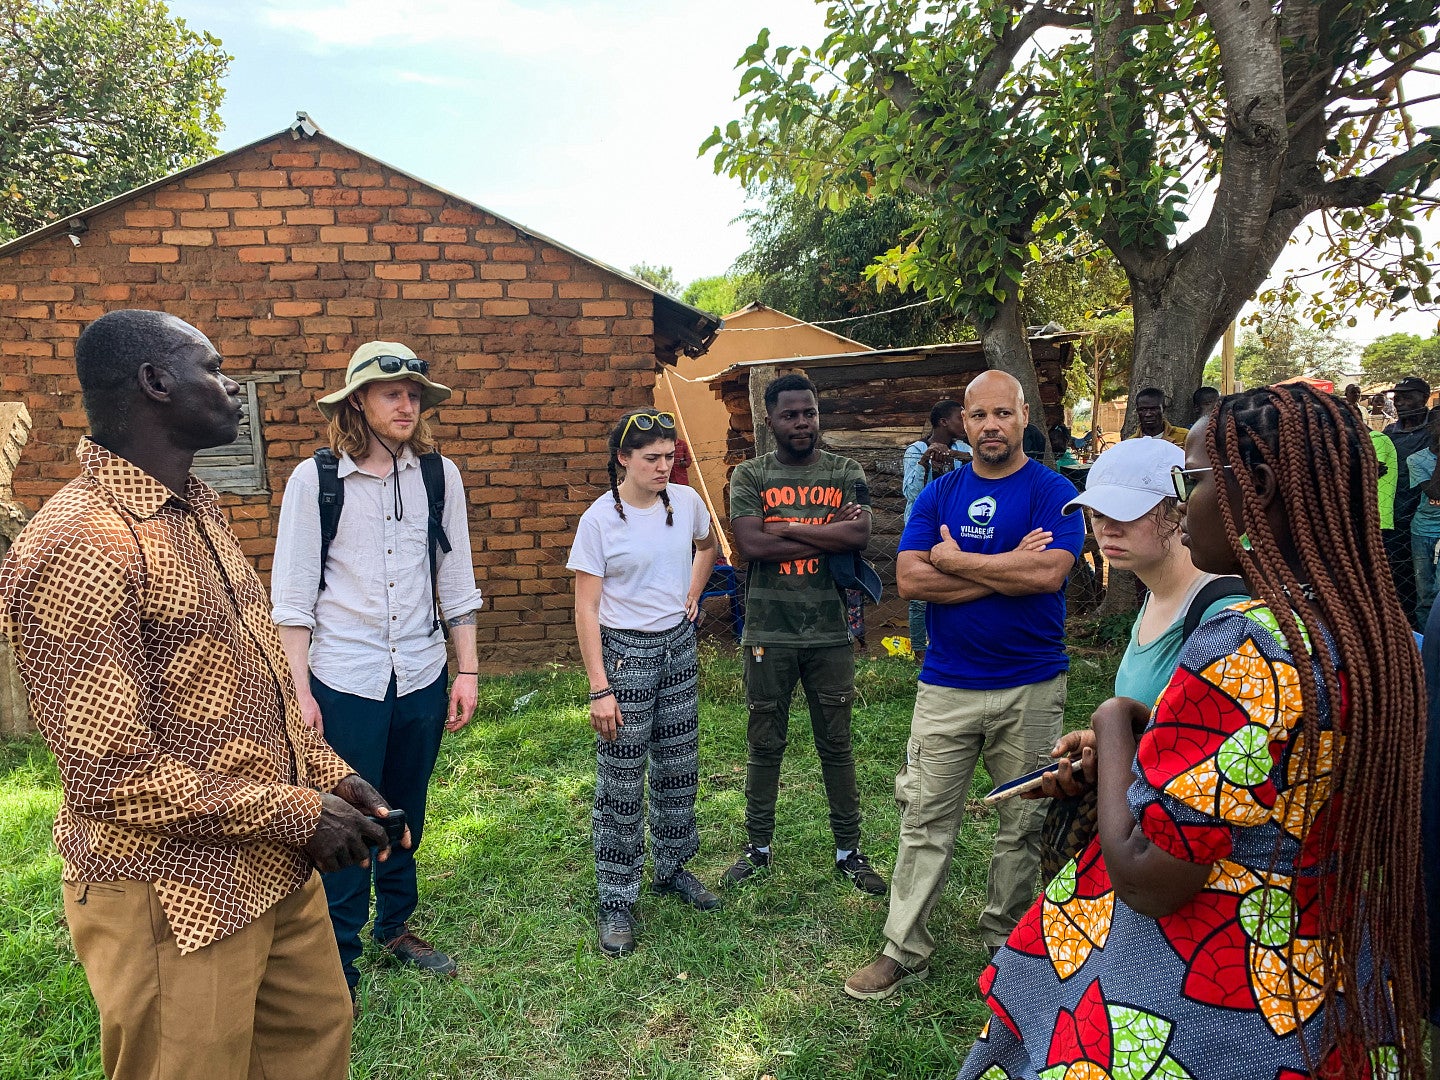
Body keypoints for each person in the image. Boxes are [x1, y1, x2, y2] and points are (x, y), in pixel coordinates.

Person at [958, 384, 1428, 1079]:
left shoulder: (1246, 644)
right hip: (1328, 968)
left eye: (1193, 480)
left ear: (1257, 488)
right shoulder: (1378, 636)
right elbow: (1276, 769)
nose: (1183, 506)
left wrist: (1115, 724)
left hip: (1211, 991)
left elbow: (1150, 877)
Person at [0, 310, 401, 1080]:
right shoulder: (81, 545)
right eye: (213, 368)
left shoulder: (197, 509)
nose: (231, 386)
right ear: (156, 383)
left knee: (316, 1044)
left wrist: (328, 775)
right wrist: (298, 812)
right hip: (170, 894)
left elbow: (255, 687)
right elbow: (109, 776)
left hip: (274, 866)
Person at [844, 370, 1084, 1000]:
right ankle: (903, 947)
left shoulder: (1052, 491)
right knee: (924, 816)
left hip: (1032, 684)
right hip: (948, 683)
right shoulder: (940, 492)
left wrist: (955, 560)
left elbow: (1051, 574)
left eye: (1003, 414)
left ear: (1023, 417)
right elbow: (912, 581)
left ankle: (1007, 945)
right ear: (965, 420)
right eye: (980, 416)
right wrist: (1006, 569)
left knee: (1023, 823)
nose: (991, 427)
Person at [271, 340, 483, 1002]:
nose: (407, 404)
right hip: (344, 676)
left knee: (405, 809)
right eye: (392, 392)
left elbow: (458, 579)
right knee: (346, 819)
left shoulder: (438, 476)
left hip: (420, 672)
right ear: (358, 401)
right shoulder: (318, 481)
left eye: (415, 394)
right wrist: (300, 690)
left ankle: (396, 927)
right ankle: (338, 963)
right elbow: (293, 595)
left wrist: (466, 670)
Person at [721, 373, 887, 896]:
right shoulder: (748, 474)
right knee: (764, 743)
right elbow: (750, 547)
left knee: (836, 745)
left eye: (808, 413)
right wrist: (824, 535)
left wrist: (784, 527)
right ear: (769, 420)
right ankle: (757, 849)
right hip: (769, 631)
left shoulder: (846, 470)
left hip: (829, 632)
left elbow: (858, 535)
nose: (801, 423)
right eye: (790, 414)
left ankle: (849, 851)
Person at [566, 408, 720, 957]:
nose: (664, 466)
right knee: (623, 778)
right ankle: (616, 896)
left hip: (677, 646)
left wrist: (694, 594)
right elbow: (585, 609)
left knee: (679, 766)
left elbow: (708, 547)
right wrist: (599, 687)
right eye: (651, 458)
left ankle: (673, 867)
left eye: (669, 457)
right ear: (623, 460)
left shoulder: (686, 503)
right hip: (624, 652)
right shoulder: (600, 520)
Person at [1064, 438, 1249, 707]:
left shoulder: (1224, 614)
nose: (1108, 529)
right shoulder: (1157, 594)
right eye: (1098, 513)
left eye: (1127, 512)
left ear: (1178, 511)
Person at [903, 399, 973, 665]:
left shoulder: (965, 449)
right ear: (944, 422)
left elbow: (974, 479)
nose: (964, 424)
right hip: (922, 530)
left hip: (955, 532)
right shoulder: (915, 450)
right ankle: (921, 651)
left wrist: (960, 458)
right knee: (921, 594)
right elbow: (911, 493)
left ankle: (954, 644)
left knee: (956, 586)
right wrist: (925, 460)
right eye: (959, 418)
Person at [1385, 376, 1432, 624]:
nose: (1400, 401)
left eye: (1406, 396)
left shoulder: (1432, 431)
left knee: (1424, 580)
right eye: (1397, 397)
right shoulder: (1389, 433)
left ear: (1423, 399)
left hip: (1425, 518)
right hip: (1393, 514)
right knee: (1396, 572)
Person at [1405, 409, 1440, 626]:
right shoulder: (1416, 459)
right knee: (1425, 594)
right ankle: (1426, 642)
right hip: (1424, 530)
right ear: (1430, 428)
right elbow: (1435, 493)